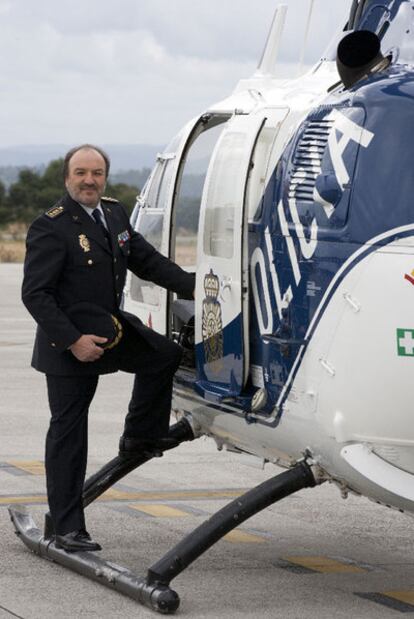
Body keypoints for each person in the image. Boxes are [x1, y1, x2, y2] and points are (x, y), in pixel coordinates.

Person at [22, 144, 195, 552]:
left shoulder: (114, 213)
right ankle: (67, 528)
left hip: (110, 331)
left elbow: (147, 261)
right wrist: (73, 341)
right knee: (70, 433)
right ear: (67, 177)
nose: (89, 180)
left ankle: (140, 437)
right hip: (68, 344)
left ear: (105, 177)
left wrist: (200, 284)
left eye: (96, 173)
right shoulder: (51, 226)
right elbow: (36, 294)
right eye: (81, 173)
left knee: (164, 355)